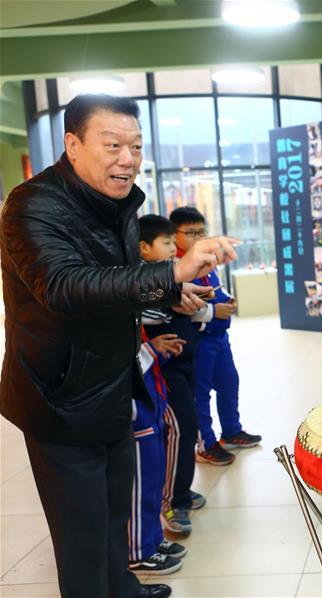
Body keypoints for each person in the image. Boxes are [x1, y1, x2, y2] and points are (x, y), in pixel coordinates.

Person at [0, 93, 238, 598]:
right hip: (59, 396)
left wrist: (173, 290)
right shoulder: (31, 205)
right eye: (112, 145)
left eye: (135, 145)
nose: (127, 159)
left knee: (113, 517)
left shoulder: (118, 202)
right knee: (81, 538)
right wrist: (171, 269)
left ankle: (124, 591)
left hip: (111, 382)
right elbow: (64, 287)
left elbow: (119, 279)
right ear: (73, 144)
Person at [170, 207, 262, 466]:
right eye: (191, 232)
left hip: (220, 338)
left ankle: (232, 431)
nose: (198, 237)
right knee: (200, 394)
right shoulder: (176, 266)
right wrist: (213, 311)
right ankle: (206, 443)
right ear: (175, 234)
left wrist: (225, 302)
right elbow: (179, 306)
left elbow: (213, 292)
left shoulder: (204, 259)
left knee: (229, 382)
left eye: (202, 231)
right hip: (198, 340)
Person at [139, 214, 207, 535]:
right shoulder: (141, 280)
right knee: (179, 429)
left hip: (184, 363)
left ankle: (180, 490)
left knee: (187, 427)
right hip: (163, 370)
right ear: (142, 248)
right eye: (165, 242)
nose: (172, 248)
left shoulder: (165, 276)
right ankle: (171, 503)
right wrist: (171, 302)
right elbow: (142, 312)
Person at [128, 327, 187, 575]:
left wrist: (158, 350)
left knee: (154, 482)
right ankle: (139, 552)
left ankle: (153, 538)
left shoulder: (132, 319)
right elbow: (126, 368)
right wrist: (151, 349)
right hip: (138, 417)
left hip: (151, 411)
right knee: (141, 488)